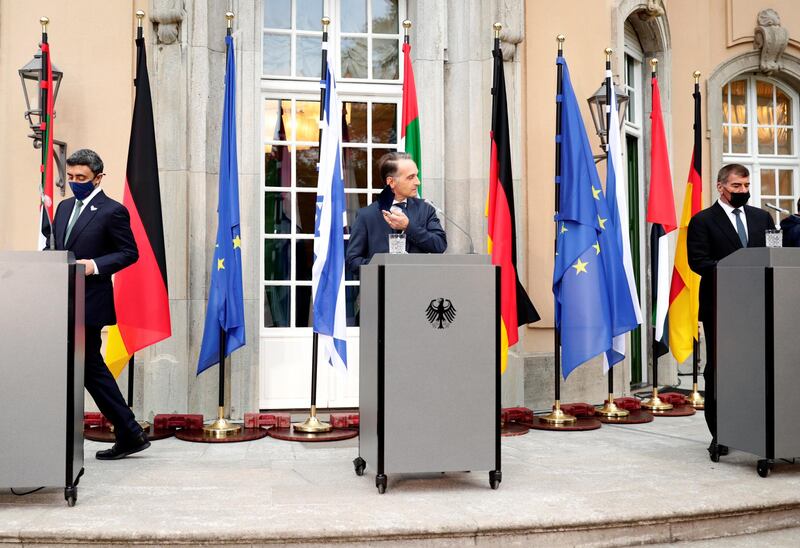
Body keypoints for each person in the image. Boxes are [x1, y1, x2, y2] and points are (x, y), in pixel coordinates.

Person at [52, 149, 149, 460]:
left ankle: (129, 431)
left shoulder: (112, 211)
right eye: (70, 177)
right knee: (88, 368)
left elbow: (129, 252)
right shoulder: (64, 208)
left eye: (81, 178)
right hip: (60, 302)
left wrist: (94, 264)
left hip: (90, 303)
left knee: (89, 366)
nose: (74, 183)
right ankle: (128, 431)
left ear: (98, 177)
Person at [687, 163, 774, 458]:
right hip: (721, 308)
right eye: (737, 187)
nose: (743, 192)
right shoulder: (703, 221)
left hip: (760, 307)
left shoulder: (763, 218)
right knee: (721, 371)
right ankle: (720, 433)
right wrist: (736, 270)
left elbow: (773, 256)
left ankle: (756, 430)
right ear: (720, 187)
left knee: (758, 371)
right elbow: (697, 262)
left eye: (747, 186)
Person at [345, 152, 447, 277]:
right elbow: (352, 261)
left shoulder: (426, 209)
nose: (418, 182)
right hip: (381, 291)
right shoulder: (366, 215)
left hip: (420, 289)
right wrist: (384, 268)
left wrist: (408, 227)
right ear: (391, 182)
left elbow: (440, 245)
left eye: (417, 175)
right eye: (411, 177)